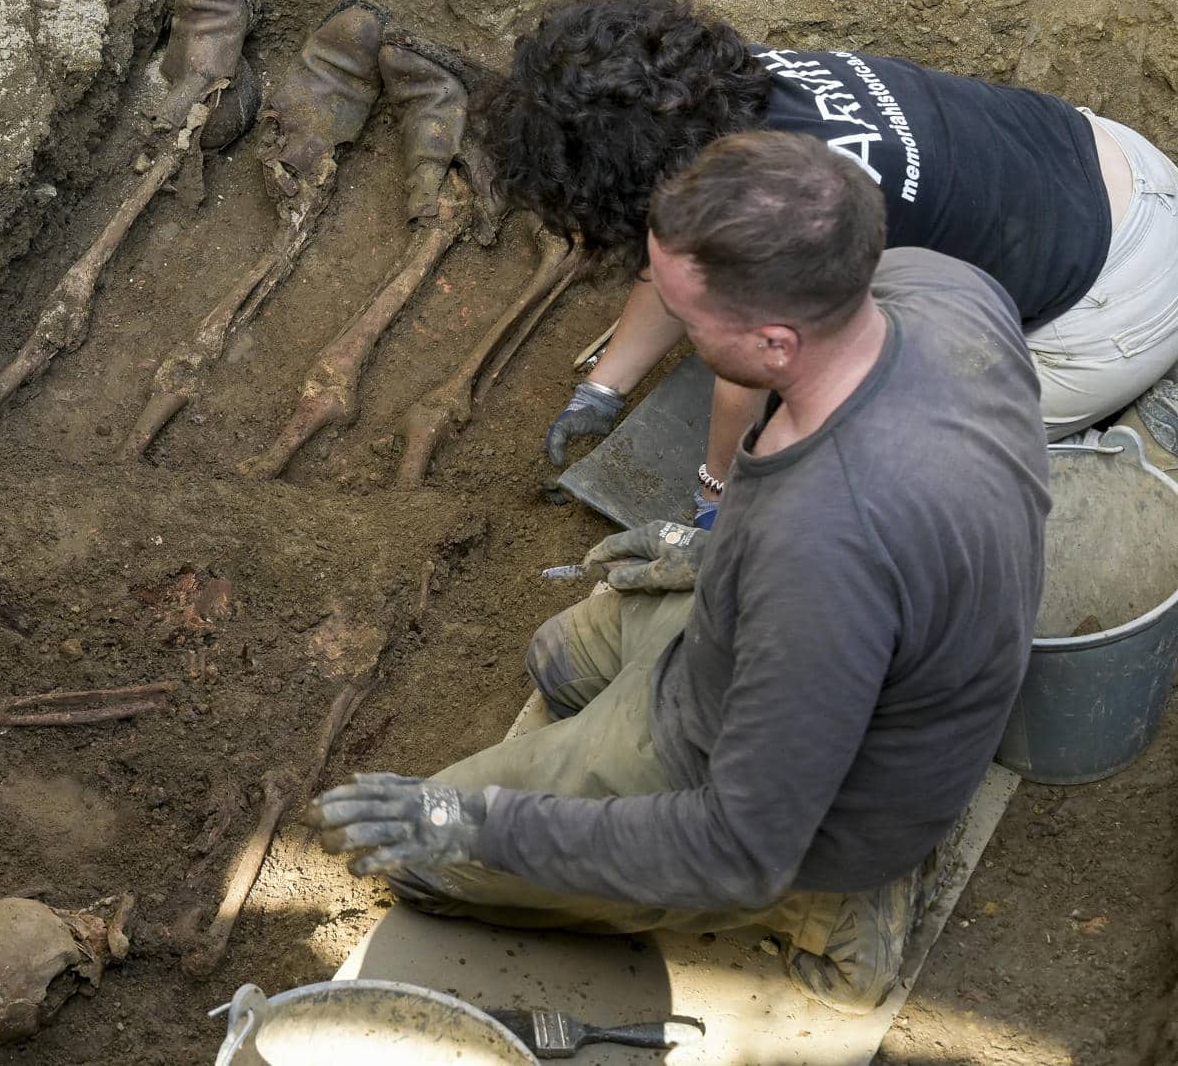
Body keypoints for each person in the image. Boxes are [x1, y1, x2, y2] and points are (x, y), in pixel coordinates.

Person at [309, 130, 1050, 1012]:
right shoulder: (944, 288)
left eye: (687, 319)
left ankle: (829, 907)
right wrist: (707, 553)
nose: (674, 329)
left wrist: (478, 823)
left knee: (420, 854)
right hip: (761, 644)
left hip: (809, 806)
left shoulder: (824, 552)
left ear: (776, 344)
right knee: (559, 659)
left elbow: (737, 844)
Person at [486, 0, 1175, 524]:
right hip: (1097, 157)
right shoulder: (716, 89)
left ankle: (1104, 454)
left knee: (874, 464)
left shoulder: (767, 214)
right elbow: (674, 246)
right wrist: (602, 389)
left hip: (1112, 303)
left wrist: (717, 501)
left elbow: (747, 379)